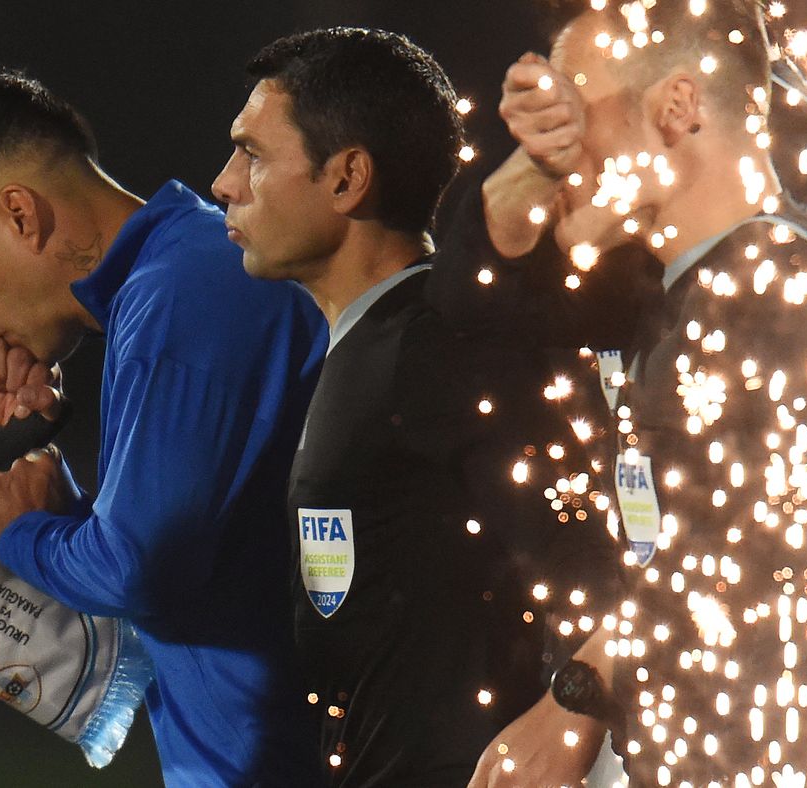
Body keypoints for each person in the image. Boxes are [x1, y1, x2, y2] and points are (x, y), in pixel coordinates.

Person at [432, 1, 807, 785]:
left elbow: (750, 555)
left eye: (577, 117)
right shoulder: (697, 287)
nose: (555, 155)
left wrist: (576, 696)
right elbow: (468, 296)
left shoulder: (782, 292)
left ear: (677, 109)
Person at [211, 27, 648, 787]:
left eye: (252, 153)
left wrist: (574, 713)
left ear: (347, 178)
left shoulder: (439, 348)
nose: (224, 181)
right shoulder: (374, 344)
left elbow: (593, 560)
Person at [0, 72, 326, 787]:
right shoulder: (169, 282)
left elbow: (140, 573)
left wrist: (18, 532)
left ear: (21, 215)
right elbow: (198, 572)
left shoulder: (182, 290)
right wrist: (29, 461)